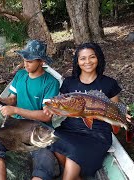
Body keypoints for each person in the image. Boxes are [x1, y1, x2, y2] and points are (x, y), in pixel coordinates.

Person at [44, 42, 127, 179]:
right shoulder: (68, 83)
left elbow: (115, 111)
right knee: (52, 139)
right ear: (77, 61)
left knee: (74, 154)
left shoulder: (109, 84)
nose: (87, 61)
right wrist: (53, 110)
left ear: (98, 58)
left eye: (92, 57)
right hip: (70, 129)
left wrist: (122, 117)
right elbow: (64, 108)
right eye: (82, 58)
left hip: (97, 134)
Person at [0, 40, 60, 180]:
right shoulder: (20, 75)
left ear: (41, 62)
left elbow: (46, 117)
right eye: (24, 60)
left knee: (45, 160)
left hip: (40, 131)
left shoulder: (51, 83)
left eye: (30, 61)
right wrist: (0, 100)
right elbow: (12, 99)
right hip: (16, 127)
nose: (25, 64)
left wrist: (15, 110)